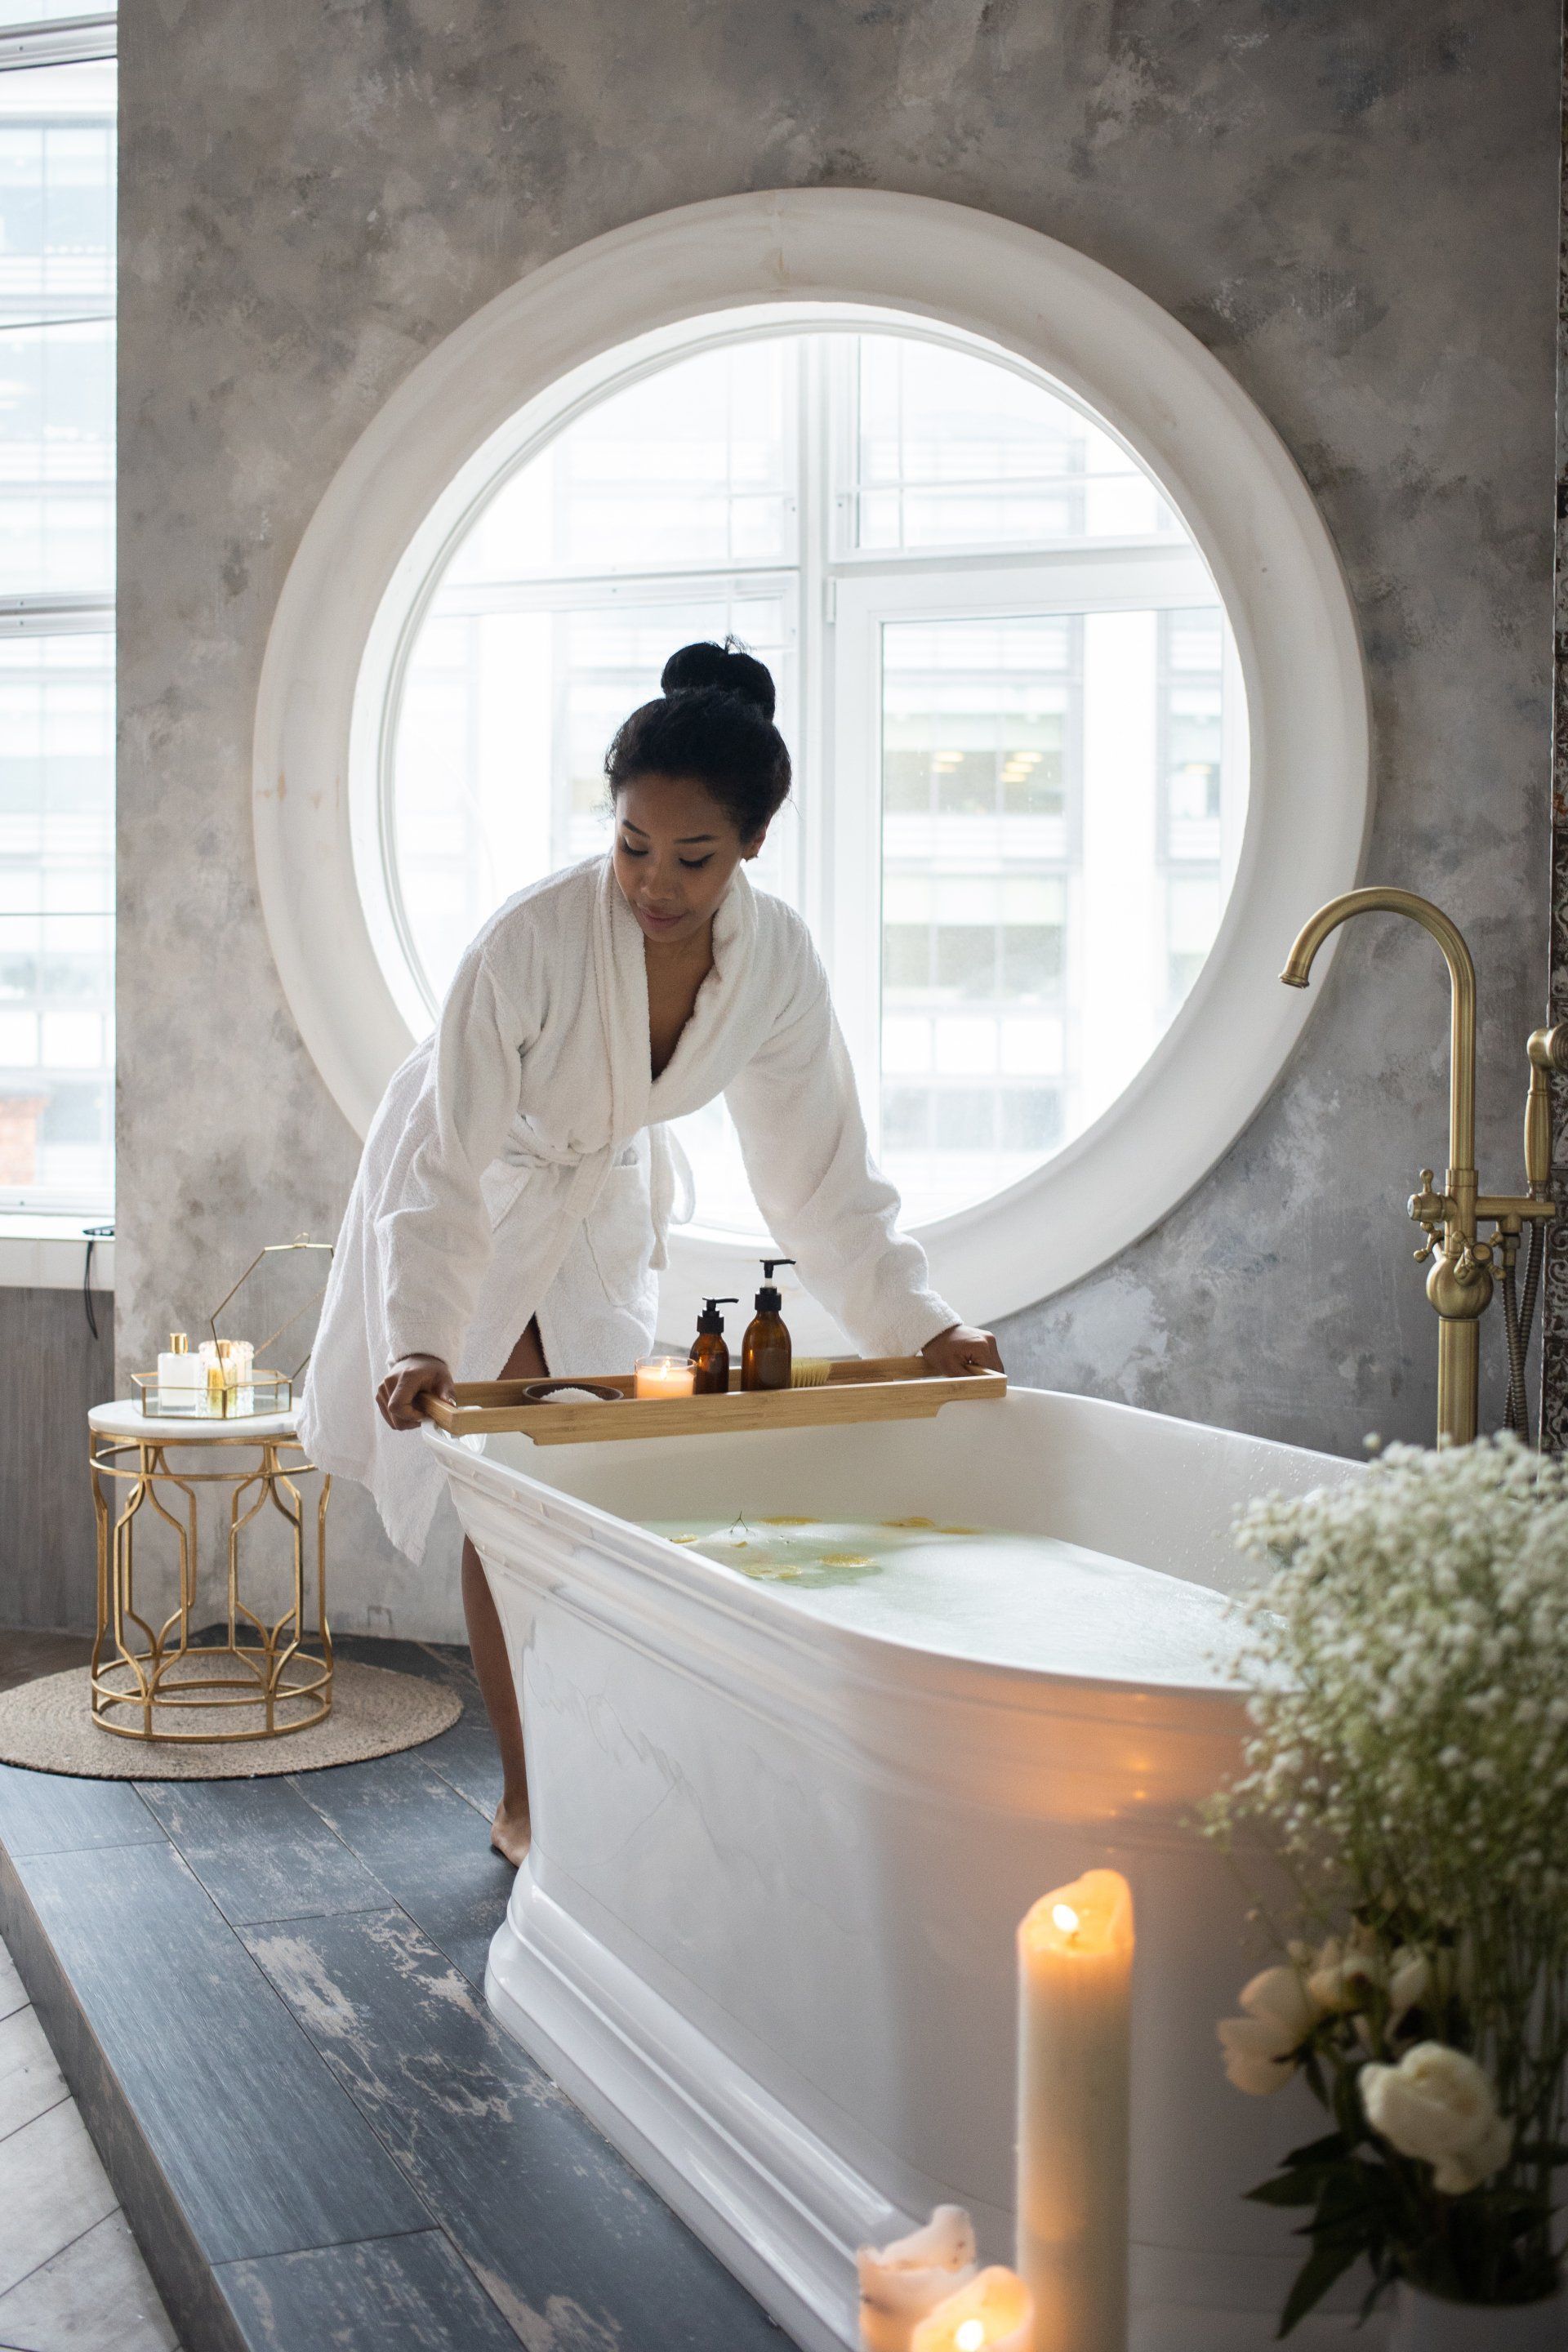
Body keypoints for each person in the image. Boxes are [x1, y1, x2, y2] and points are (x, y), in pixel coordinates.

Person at [299, 640, 1004, 1864]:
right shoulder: (528, 942)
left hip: (601, 1193)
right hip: (476, 1184)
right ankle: (525, 1797)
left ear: (752, 849)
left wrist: (921, 1327)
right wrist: (418, 1331)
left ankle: (610, 1776)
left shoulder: (774, 963)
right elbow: (447, 1161)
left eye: (694, 857)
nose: (655, 883)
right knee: (516, 1482)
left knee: (605, 1493)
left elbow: (819, 1172)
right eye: (632, 846)